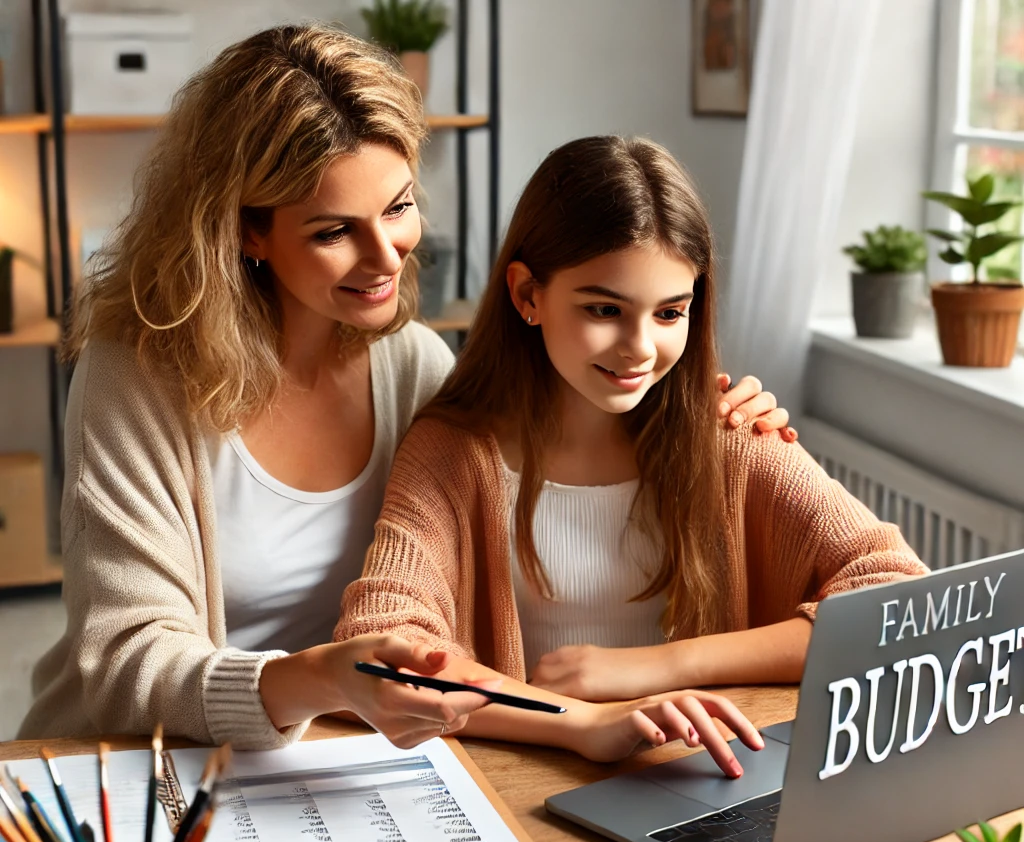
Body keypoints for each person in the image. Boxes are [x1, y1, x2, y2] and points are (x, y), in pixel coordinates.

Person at [19, 27, 789, 750]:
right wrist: (320, 678)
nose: (385, 256)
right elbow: (126, 662)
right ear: (246, 232)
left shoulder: (416, 365)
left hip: (346, 753)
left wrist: (701, 404)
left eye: (399, 207)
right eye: (333, 231)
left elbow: (559, 424)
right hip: (135, 766)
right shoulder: (135, 379)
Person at [334, 135, 928, 776]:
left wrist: (659, 666)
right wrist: (577, 723)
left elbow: (903, 601)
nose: (639, 348)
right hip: (525, 784)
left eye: (670, 312)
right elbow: (383, 652)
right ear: (528, 295)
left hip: (704, 775)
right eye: (604, 309)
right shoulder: (453, 453)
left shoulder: (728, 436)